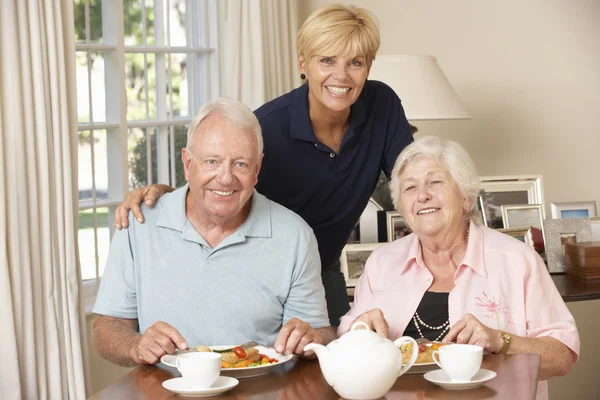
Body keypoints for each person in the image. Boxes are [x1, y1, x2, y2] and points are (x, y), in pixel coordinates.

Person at [112, 4, 413, 327]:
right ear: (303, 63)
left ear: (368, 67)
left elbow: (411, 180)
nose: (341, 76)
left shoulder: (383, 105)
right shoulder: (266, 128)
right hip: (259, 274)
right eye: (326, 60)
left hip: (324, 268)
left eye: (355, 62)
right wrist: (164, 193)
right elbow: (219, 187)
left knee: (339, 363)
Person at [93, 98, 334, 367]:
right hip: (164, 391)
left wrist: (310, 339)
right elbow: (107, 327)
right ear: (187, 163)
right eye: (211, 161)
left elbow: (320, 333)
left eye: (241, 164)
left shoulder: (295, 236)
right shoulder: (138, 223)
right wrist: (135, 345)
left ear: (257, 169)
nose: (225, 178)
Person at [338, 136, 579, 399]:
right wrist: (359, 333)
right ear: (402, 207)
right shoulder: (382, 263)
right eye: (410, 187)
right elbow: (345, 345)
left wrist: (501, 341)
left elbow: (562, 356)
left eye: (435, 182)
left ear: (466, 197)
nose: (422, 195)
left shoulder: (516, 259)